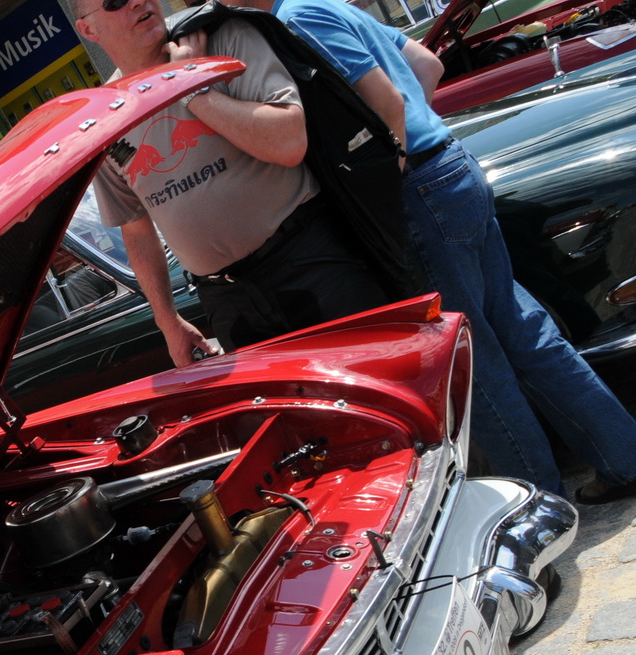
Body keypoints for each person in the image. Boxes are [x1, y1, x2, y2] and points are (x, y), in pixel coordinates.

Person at [261, 0, 636, 503]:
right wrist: (416, 132)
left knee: (475, 362)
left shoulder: (295, 22)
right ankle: (623, 459)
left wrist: (385, 185)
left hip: (417, 187)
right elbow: (427, 65)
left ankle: (536, 507)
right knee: (522, 331)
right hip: (447, 166)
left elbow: (387, 101)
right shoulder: (318, 6)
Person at [75, 0, 391, 363]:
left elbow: (289, 143)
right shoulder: (104, 115)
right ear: (89, 30)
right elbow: (135, 228)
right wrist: (168, 321)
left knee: (377, 389)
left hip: (309, 262)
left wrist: (192, 87)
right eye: (115, 2)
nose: (137, 2)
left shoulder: (221, 38)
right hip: (227, 303)